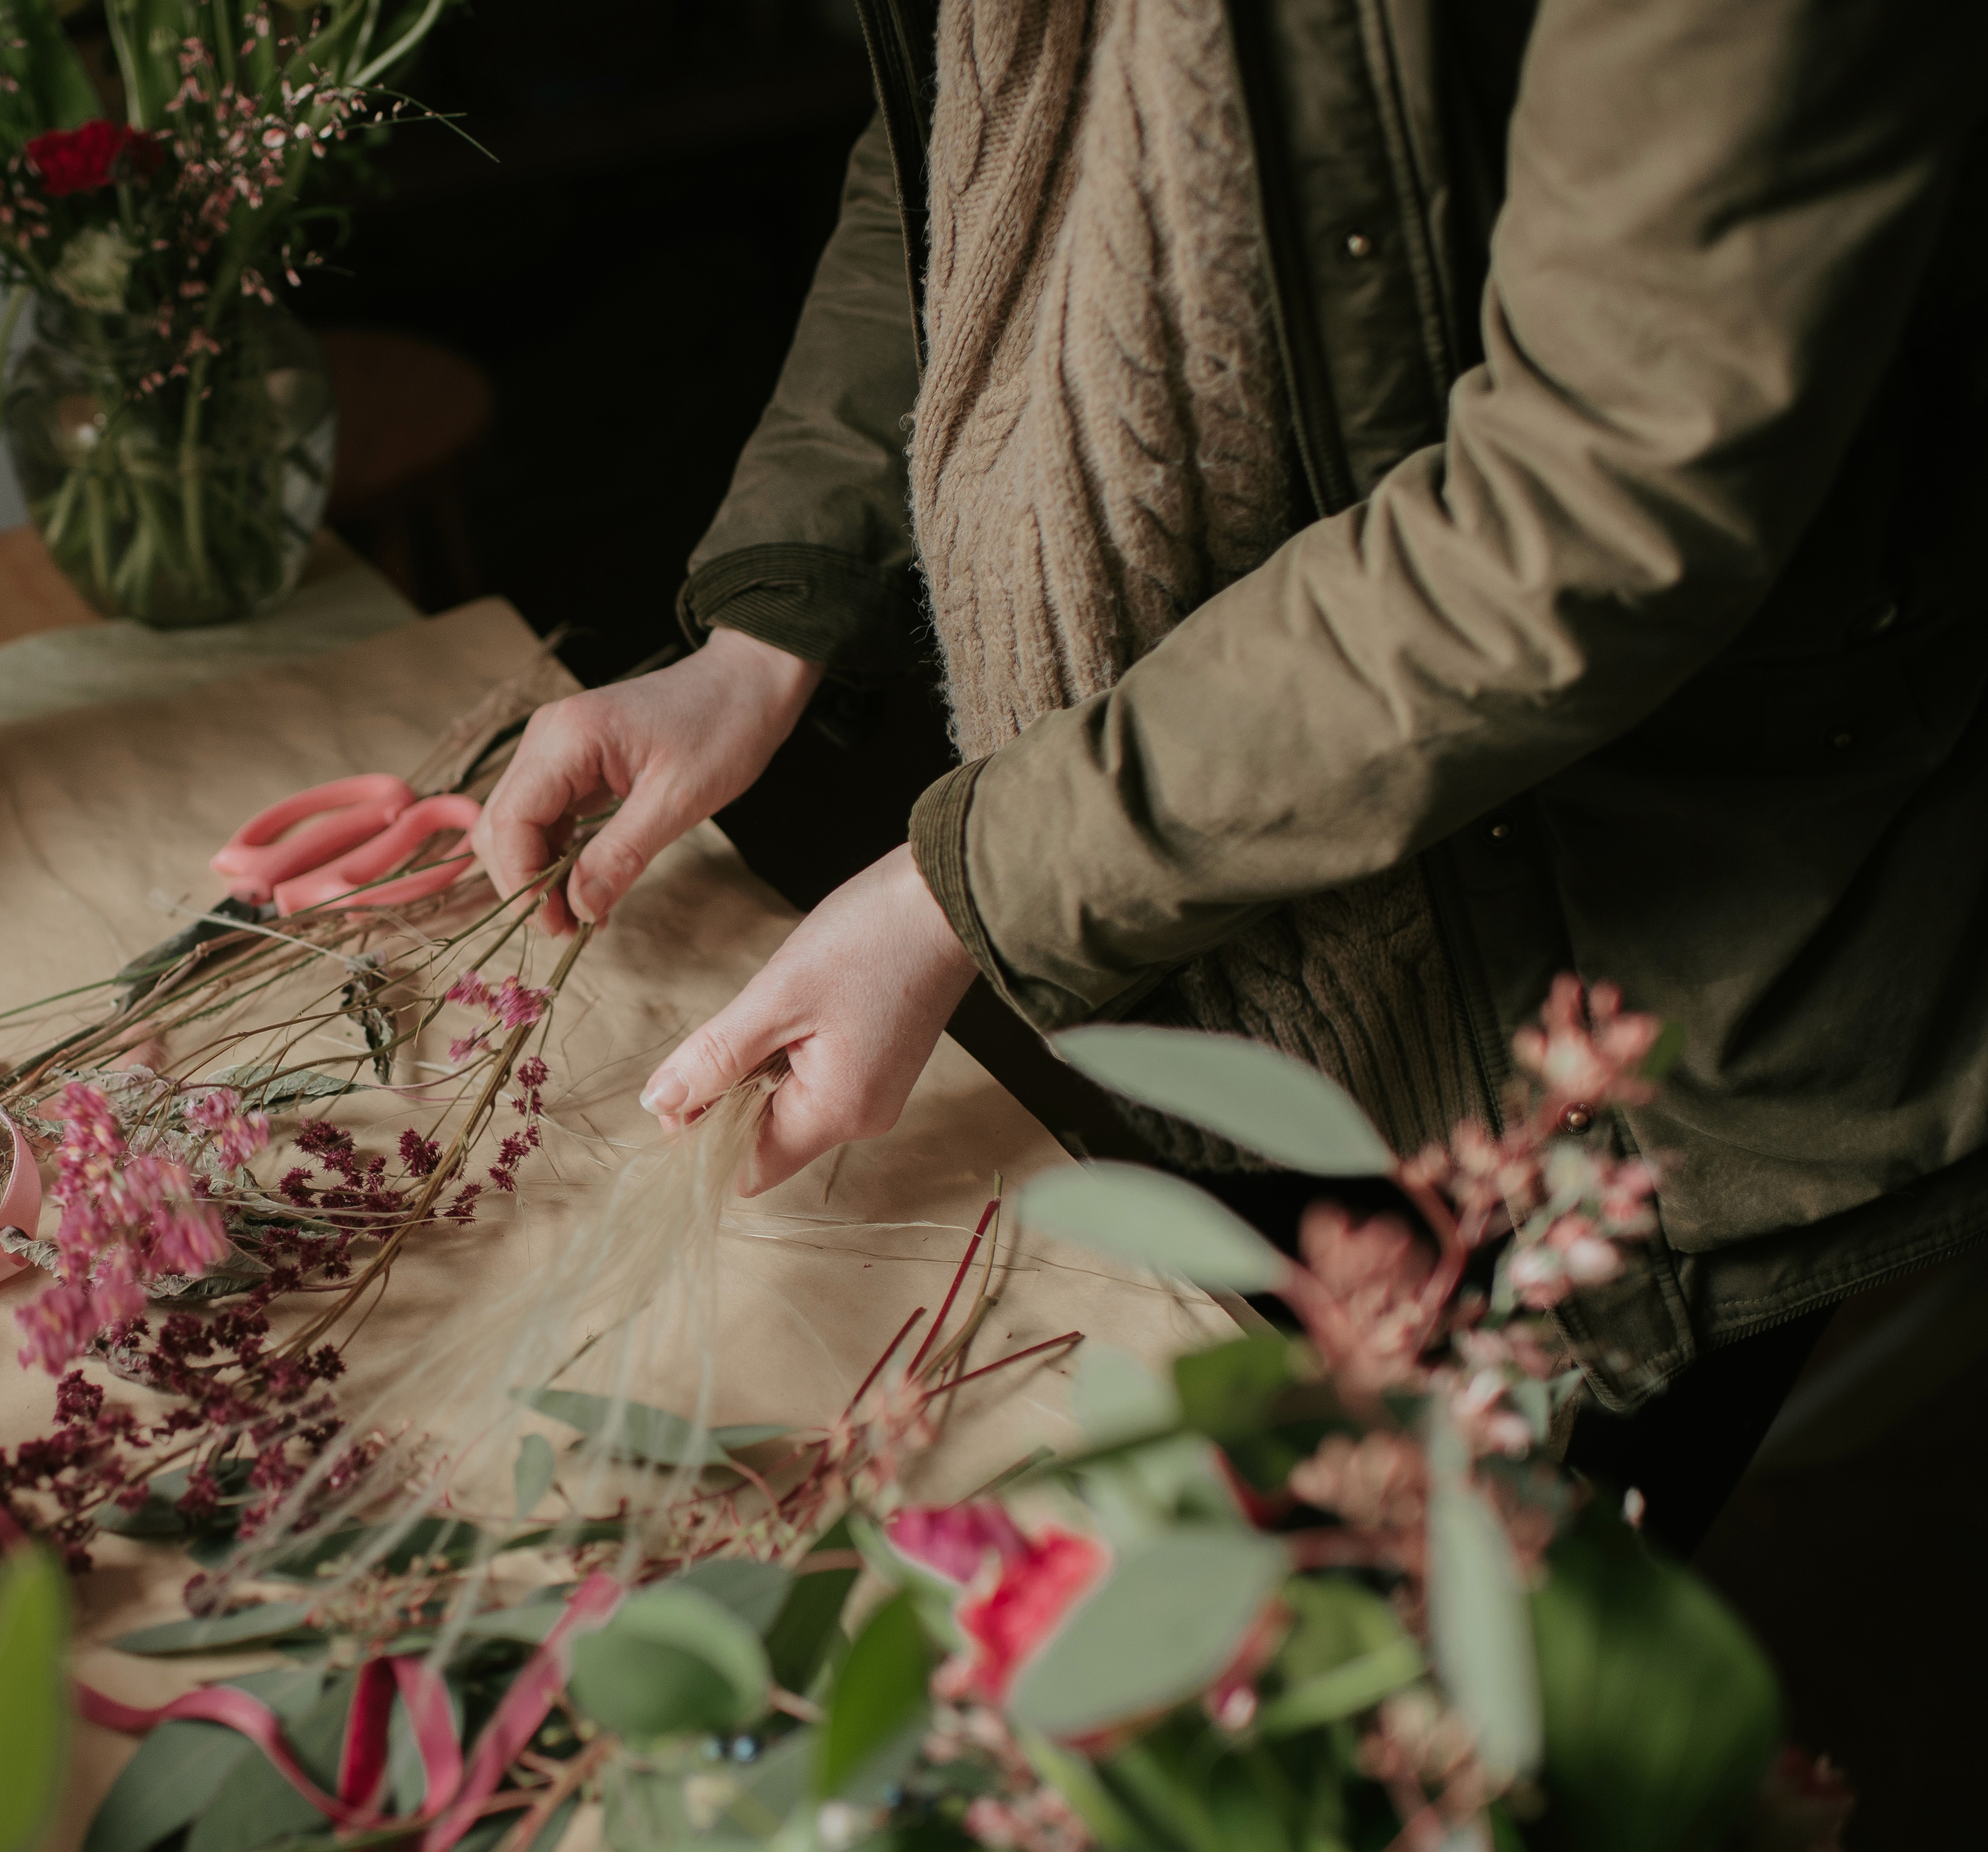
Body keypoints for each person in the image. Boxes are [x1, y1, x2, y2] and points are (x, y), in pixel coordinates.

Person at [468, 0, 1988, 1550]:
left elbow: (1598, 501)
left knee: (1434, 1644)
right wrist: (767, 627)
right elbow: (974, 129)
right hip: (1211, 902)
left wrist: (968, 888)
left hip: (1641, 966)